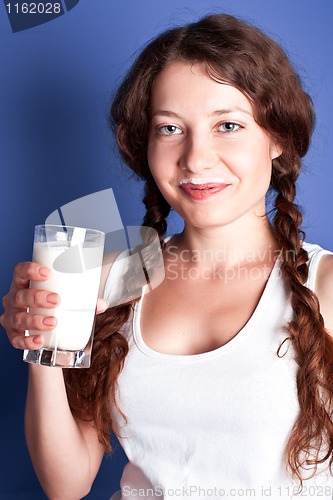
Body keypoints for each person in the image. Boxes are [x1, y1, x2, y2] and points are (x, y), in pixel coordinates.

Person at [1, 12, 333, 500]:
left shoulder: (324, 285)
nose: (196, 158)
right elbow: (66, 484)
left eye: (228, 125)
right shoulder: (107, 277)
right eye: (170, 128)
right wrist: (42, 349)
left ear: (277, 138)